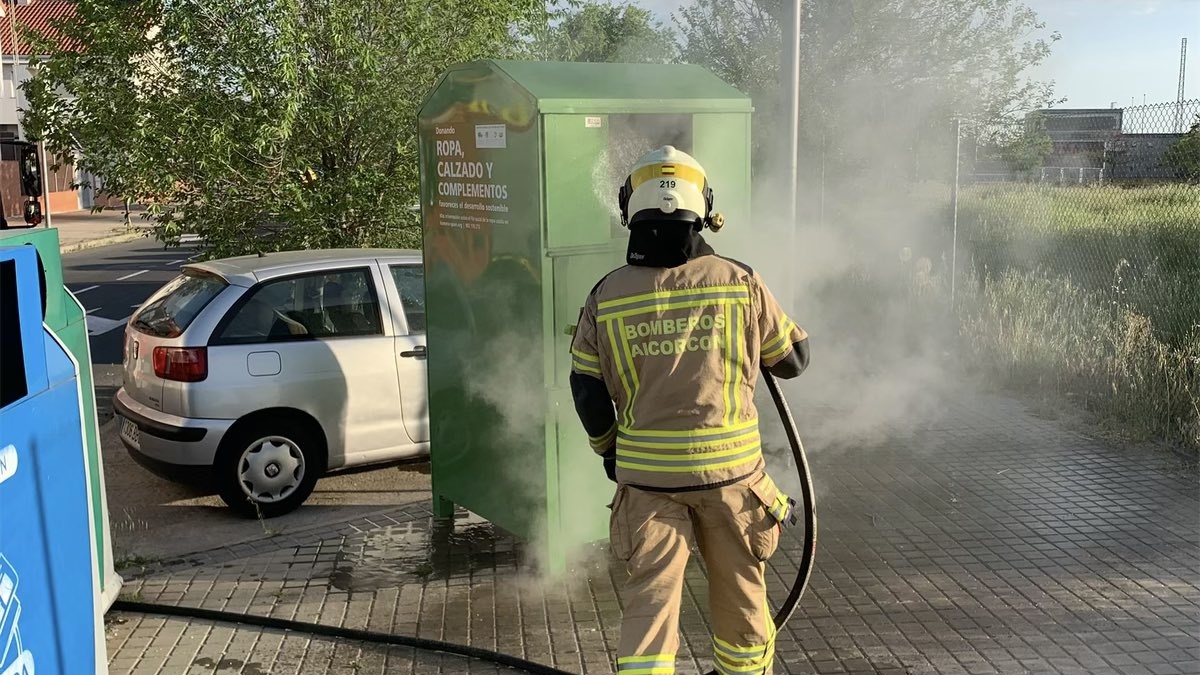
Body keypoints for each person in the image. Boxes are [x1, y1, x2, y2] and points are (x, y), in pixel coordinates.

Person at [569, 145, 810, 675]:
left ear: (629, 208)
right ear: (705, 208)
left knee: (650, 604)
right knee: (742, 600)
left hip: (647, 483)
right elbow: (793, 360)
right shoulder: (739, 280)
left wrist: (609, 451)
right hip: (732, 480)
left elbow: (585, 388)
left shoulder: (606, 294)